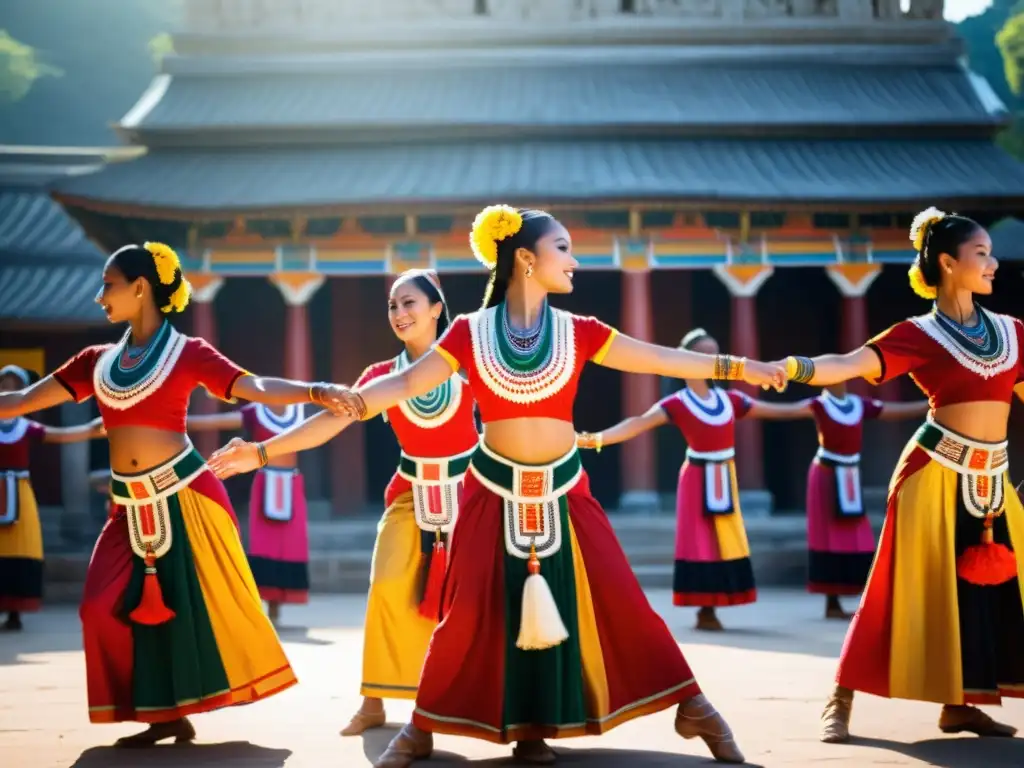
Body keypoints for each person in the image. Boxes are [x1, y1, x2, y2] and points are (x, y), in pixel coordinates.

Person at [287, 205, 786, 767]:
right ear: (526, 259)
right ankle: (433, 727)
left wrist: (739, 367)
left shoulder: (581, 331)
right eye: (564, 248)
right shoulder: (470, 333)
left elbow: (662, 359)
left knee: (621, 600)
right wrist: (350, 400)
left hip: (566, 491)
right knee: (471, 611)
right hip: (488, 491)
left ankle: (693, 707)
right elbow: (404, 382)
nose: (575, 261)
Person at [0, 242, 335, 746]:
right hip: (127, 505)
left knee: (189, 610)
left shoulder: (188, 352)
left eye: (108, 285)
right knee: (99, 606)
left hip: (185, 496)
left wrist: (314, 391)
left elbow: (255, 385)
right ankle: (159, 711)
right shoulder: (96, 361)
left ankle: (168, 717)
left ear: (140, 288)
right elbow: (24, 400)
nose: (99, 297)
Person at [775, 208, 1024, 743]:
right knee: (897, 588)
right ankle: (840, 697)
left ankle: (961, 706)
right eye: (981, 254)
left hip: (993, 481)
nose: (993, 263)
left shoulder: (1012, 333)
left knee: (985, 594)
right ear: (948, 263)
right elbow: (847, 364)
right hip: (933, 474)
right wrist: (792, 368)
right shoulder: (917, 333)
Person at [207, 269, 481, 739]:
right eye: (393, 305)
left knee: (482, 598)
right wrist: (262, 452)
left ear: (438, 308)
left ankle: (483, 701)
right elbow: (330, 422)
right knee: (388, 586)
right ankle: (374, 701)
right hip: (410, 495)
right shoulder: (379, 377)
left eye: (410, 303)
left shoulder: (472, 364)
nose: (399, 313)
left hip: (473, 496)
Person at [578, 328, 809, 631]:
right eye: (703, 354)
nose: (711, 359)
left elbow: (778, 411)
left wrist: (811, 408)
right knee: (699, 540)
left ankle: (720, 598)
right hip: (697, 478)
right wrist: (593, 439)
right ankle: (704, 607)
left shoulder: (730, 400)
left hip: (724, 475)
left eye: (715, 353)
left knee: (724, 540)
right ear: (685, 360)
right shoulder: (678, 403)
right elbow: (637, 423)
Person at [794, 383, 927, 619]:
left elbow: (890, 410)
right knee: (828, 534)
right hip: (826, 474)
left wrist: (933, 404)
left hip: (849, 474)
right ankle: (832, 600)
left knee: (859, 534)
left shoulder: (857, 405)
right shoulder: (819, 405)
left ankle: (867, 598)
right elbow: (782, 411)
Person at [187, 401, 313, 624]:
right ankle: (261, 604)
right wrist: (167, 423)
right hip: (265, 483)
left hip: (292, 482)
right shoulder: (256, 412)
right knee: (264, 544)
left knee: (290, 545)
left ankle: (277, 606)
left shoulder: (301, 411)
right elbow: (214, 421)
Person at [0, 364, 105, 630]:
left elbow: (61, 436)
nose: (8, 390)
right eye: (4, 386)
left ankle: (15, 611)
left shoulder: (25, 428)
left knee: (21, 547)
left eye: (13, 387)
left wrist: (91, 428)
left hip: (19, 490)